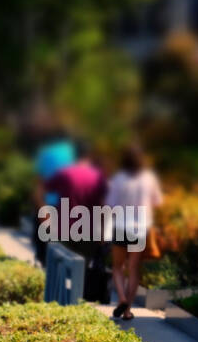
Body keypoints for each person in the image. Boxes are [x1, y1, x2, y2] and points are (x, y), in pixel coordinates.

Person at [104, 144, 163, 321]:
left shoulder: (118, 179)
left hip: (121, 225)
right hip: (141, 228)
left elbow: (110, 205)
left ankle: (121, 298)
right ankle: (128, 309)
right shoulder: (149, 178)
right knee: (133, 269)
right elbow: (158, 201)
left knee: (117, 267)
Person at [44, 141, 108, 302]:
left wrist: (45, 216)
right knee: (81, 272)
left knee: (60, 269)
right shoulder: (98, 176)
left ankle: (59, 304)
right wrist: (102, 232)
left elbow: (40, 189)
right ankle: (75, 306)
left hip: (63, 227)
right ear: (90, 156)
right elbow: (103, 205)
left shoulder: (65, 173)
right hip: (89, 229)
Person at [32, 131, 76, 264]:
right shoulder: (71, 152)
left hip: (47, 204)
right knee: (63, 249)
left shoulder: (44, 153)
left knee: (45, 248)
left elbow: (39, 183)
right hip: (67, 207)